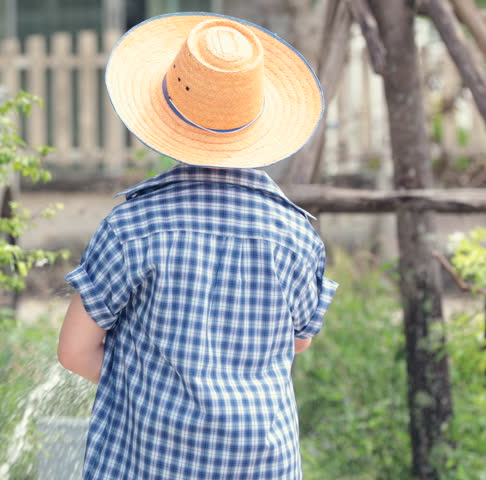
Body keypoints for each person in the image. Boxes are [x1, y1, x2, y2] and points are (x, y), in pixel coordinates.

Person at [57, 12, 339, 480]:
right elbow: (299, 340)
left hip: (148, 464)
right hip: (263, 464)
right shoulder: (295, 235)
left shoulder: (133, 226)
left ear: (164, 116)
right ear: (258, 123)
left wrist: (148, 393)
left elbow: (74, 351)